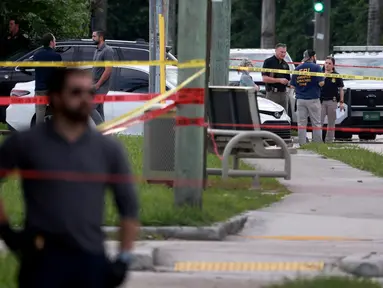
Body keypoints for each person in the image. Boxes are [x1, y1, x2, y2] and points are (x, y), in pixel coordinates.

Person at [0, 68, 139, 288]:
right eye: (75, 92)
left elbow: (128, 207)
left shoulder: (108, 149)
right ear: (55, 97)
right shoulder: (26, 143)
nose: (85, 99)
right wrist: (7, 232)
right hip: (41, 262)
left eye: (89, 93)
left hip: (91, 261)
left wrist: (124, 258)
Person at [290, 49, 324, 146]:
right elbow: (321, 83)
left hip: (300, 99)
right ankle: (317, 144)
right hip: (313, 99)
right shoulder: (317, 68)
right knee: (316, 123)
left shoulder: (297, 69)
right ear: (312, 57)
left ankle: (302, 144)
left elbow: (292, 85)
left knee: (301, 124)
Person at [33, 33, 62, 124]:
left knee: (40, 112)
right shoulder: (56, 56)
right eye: (55, 41)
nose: (55, 43)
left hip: (40, 88)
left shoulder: (36, 55)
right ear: (51, 42)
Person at [91, 30, 115, 125]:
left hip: (101, 86)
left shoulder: (108, 50)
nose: (92, 38)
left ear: (101, 37)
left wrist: (98, 85)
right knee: (99, 109)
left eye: (94, 36)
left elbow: (108, 70)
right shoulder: (97, 50)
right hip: (95, 84)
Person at [321, 56, 345, 143]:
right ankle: (318, 140)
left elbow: (341, 89)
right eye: (326, 63)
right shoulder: (319, 73)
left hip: (332, 101)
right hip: (321, 101)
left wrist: (341, 102)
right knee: (318, 122)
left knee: (331, 123)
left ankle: (329, 141)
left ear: (333, 65)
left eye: (329, 63)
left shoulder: (336, 75)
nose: (327, 65)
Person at [261, 43, 291, 111]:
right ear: (276, 51)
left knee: (284, 115)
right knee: (271, 114)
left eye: (285, 52)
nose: (283, 54)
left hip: (283, 94)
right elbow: (264, 79)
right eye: (281, 52)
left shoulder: (285, 65)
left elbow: (288, 80)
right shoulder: (268, 62)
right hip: (272, 94)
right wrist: (279, 80)